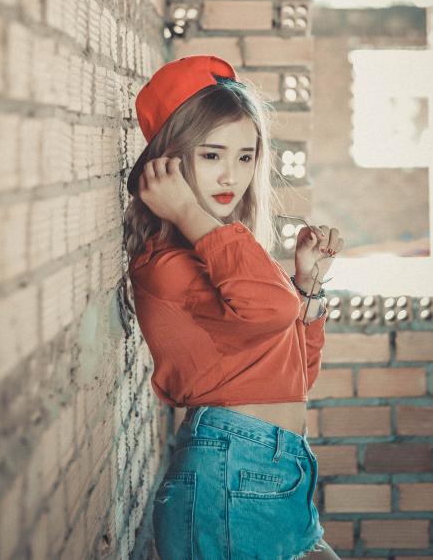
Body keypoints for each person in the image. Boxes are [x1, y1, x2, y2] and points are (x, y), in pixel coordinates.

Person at [124, 54, 344, 560]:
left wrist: (307, 284)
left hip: (273, 468)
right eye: (211, 155)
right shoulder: (168, 263)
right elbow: (269, 312)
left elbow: (296, 373)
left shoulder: (222, 256)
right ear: (168, 162)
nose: (232, 175)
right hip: (233, 469)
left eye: (246, 157)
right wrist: (185, 211)